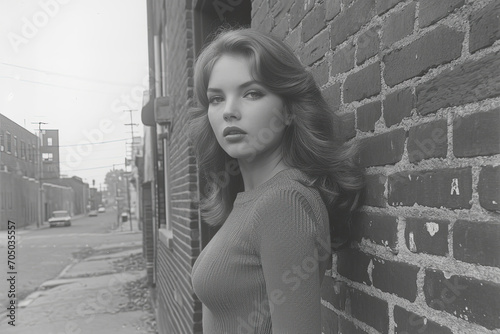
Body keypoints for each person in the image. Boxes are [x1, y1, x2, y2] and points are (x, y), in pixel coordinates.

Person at [189, 28, 364, 333]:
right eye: (216, 99)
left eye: (252, 93)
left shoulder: (284, 203)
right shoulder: (248, 200)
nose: (229, 111)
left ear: (288, 110)